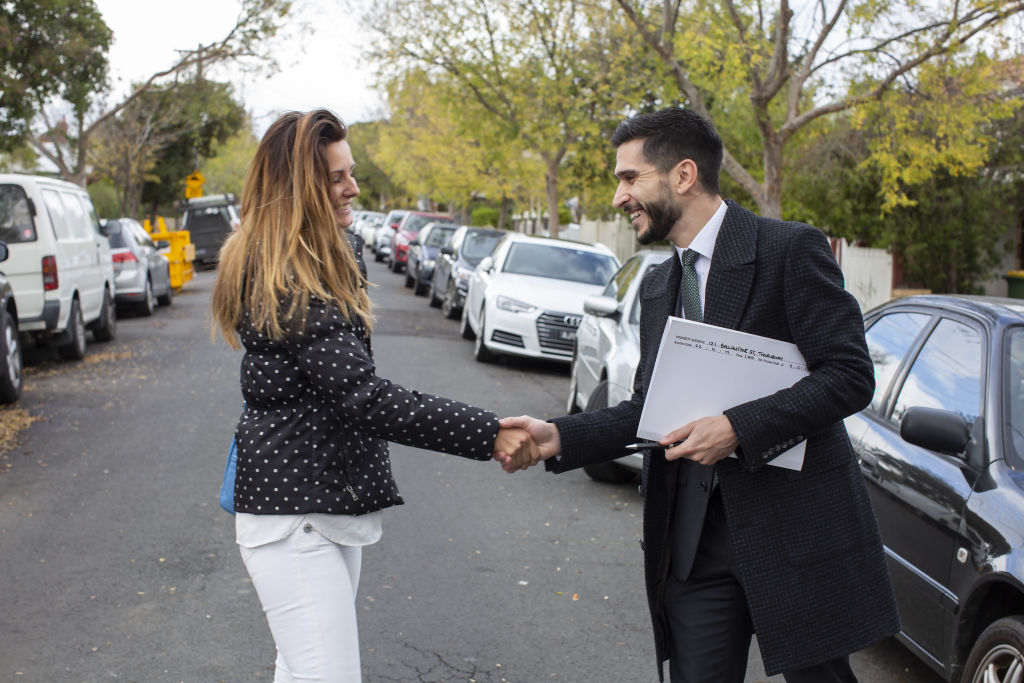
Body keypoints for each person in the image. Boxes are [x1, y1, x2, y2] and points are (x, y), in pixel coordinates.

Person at [499, 107, 899, 683]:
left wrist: (738, 425)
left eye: (630, 178)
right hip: (692, 545)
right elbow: (648, 409)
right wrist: (559, 435)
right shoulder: (660, 285)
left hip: (793, 536)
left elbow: (849, 374)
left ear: (683, 176)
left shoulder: (789, 250)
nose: (619, 197)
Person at [211, 109, 538, 683]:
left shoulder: (329, 254)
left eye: (350, 172)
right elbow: (366, 398)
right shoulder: (290, 273)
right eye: (336, 177)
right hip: (295, 518)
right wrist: (488, 432)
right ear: (300, 186)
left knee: (300, 671)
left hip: (323, 504)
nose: (352, 188)